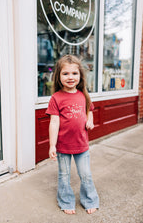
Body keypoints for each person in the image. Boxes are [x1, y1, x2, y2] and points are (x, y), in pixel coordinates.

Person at [46, 54, 99, 215]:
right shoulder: (56, 98)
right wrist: (52, 145)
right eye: (65, 73)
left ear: (80, 75)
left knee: (86, 174)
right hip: (63, 146)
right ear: (58, 76)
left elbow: (89, 110)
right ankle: (66, 200)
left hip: (81, 144)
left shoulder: (83, 94)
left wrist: (90, 120)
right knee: (64, 175)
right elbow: (54, 122)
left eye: (74, 73)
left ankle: (90, 199)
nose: (70, 77)